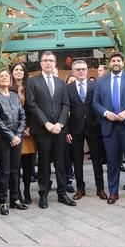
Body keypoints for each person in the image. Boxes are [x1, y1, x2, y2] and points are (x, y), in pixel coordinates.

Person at [93, 52, 125, 204]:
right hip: (109, 127)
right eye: (113, 61)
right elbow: (95, 103)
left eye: (118, 61)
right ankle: (113, 192)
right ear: (110, 63)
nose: (116, 63)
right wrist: (105, 112)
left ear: (123, 63)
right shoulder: (101, 81)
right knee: (112, 162)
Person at [26, 51, 76, 209]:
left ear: (55, 64)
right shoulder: (32, 82)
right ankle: (43, 194)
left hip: (59, 129)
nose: (48, 63)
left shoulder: (60, 82)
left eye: (51, 61)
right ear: (41, 63)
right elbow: (32, 105)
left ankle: (62, 193)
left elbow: (66, 105)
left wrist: (60, 123)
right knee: (44, 164)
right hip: (43, 130)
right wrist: (46, 123)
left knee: (61, 163)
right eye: (45, 60)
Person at [66, 59, 106, 200]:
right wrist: (67, 131)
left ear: (87, 70)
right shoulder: (68, 88)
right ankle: (80, 188)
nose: (81, 71)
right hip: (75, 128)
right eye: (78, 69)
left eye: (83, 69)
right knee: (77, 160)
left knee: (97, 159)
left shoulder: (95, 85)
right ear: (73, 71)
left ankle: (100, 188)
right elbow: (65, 109)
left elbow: (101, 103)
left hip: (94, 127)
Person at [0, 68, 28, 215]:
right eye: (2, 76)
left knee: (15, 170)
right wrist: (10, 136)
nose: (5, 77)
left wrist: (18, 134)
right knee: (4, 171)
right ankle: (3, 202)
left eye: (7, 75)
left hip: (17, 138)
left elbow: (22, 116)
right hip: (2, 139)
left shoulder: (14, 95)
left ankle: (15, 199)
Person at [11, 62, 37, 204]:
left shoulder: (30, 87)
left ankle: (27, 191)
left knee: (29, 165)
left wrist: (31, 127)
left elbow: (35, 108)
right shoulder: (8, 88)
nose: (19, 72)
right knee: (15, 165)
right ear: (12, 72)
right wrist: (19, 129)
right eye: (16, 69)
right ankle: (17, 192)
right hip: (14, 132)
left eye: (21, 69)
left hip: (30, 132)